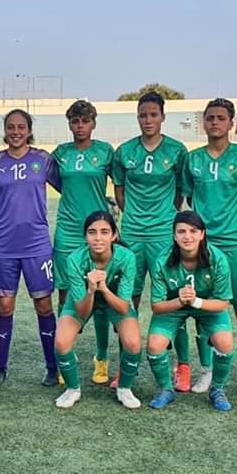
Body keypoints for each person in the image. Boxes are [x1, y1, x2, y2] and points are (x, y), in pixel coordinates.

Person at [181, 98, 237, 397]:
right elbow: (188, 198)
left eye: (220, 118)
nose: (214, 122)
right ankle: (207, 371)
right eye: (210, 118)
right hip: (205, 244)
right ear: (203, 123)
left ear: (231, 123)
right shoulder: (192, 160)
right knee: (203, 308)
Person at [111, 91, 189, 390]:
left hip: (162, 233)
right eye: (143, 115)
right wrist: (132, 216)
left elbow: (180, 191)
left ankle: (181, 365)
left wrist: (165, 216)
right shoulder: (125, 151)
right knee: (127, 300)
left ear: (162, 117)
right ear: (138, 117)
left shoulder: (177, 151)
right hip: (132, 234)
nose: (148, 120)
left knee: (173, 297)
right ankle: (125, 366)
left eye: (153, 114)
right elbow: (119, 191)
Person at [0, 108, 61, 387]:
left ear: (29, 130)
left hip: (37, 244)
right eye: (11, 127)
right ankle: (0, 367)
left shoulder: (43, 160)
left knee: (44, 304)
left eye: (21, 127)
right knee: (4, 305)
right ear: (5, 130)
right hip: (5, 245)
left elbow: (69, 187)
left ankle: (52, 366)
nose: (16, 132)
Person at [52, 100, 115, 384]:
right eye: (75, 121)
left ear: (93, 123)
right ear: (69, 124)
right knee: (66, 294)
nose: (80, 126)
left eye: (85, 121)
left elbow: (123, 182)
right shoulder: (60, 153)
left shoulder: (105, 152)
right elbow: (56, 181)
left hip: (98, 229)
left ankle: (101, 358)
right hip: (67, 230)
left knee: (100, 293)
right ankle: (68, 357)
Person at [147, 211, 236, 412]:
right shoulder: (162, 260)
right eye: (181, 231)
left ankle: (217, 389)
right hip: (173, 306)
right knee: (154, 345)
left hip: (205, 305)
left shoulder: (217, 259)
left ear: (202, 234)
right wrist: (180, 300)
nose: (187, 236)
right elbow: (157, 306)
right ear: (174, 235)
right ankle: (165, 389)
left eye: (193, 231)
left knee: (225, 341)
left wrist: (195, 301)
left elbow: (222, 303)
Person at [53, 211, 142, 409]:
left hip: (115, 300)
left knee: (133, 342)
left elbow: (123, 306)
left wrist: (103, 288)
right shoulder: (75, 259)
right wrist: (92, 289)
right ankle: (72, 389)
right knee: (61, 341)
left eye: (104, 232)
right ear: (85, 236)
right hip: (84, 300)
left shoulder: (126, 257)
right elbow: (82, 312)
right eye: (92, 232)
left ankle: (125, 389)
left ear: (113, 236)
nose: (98, 238)